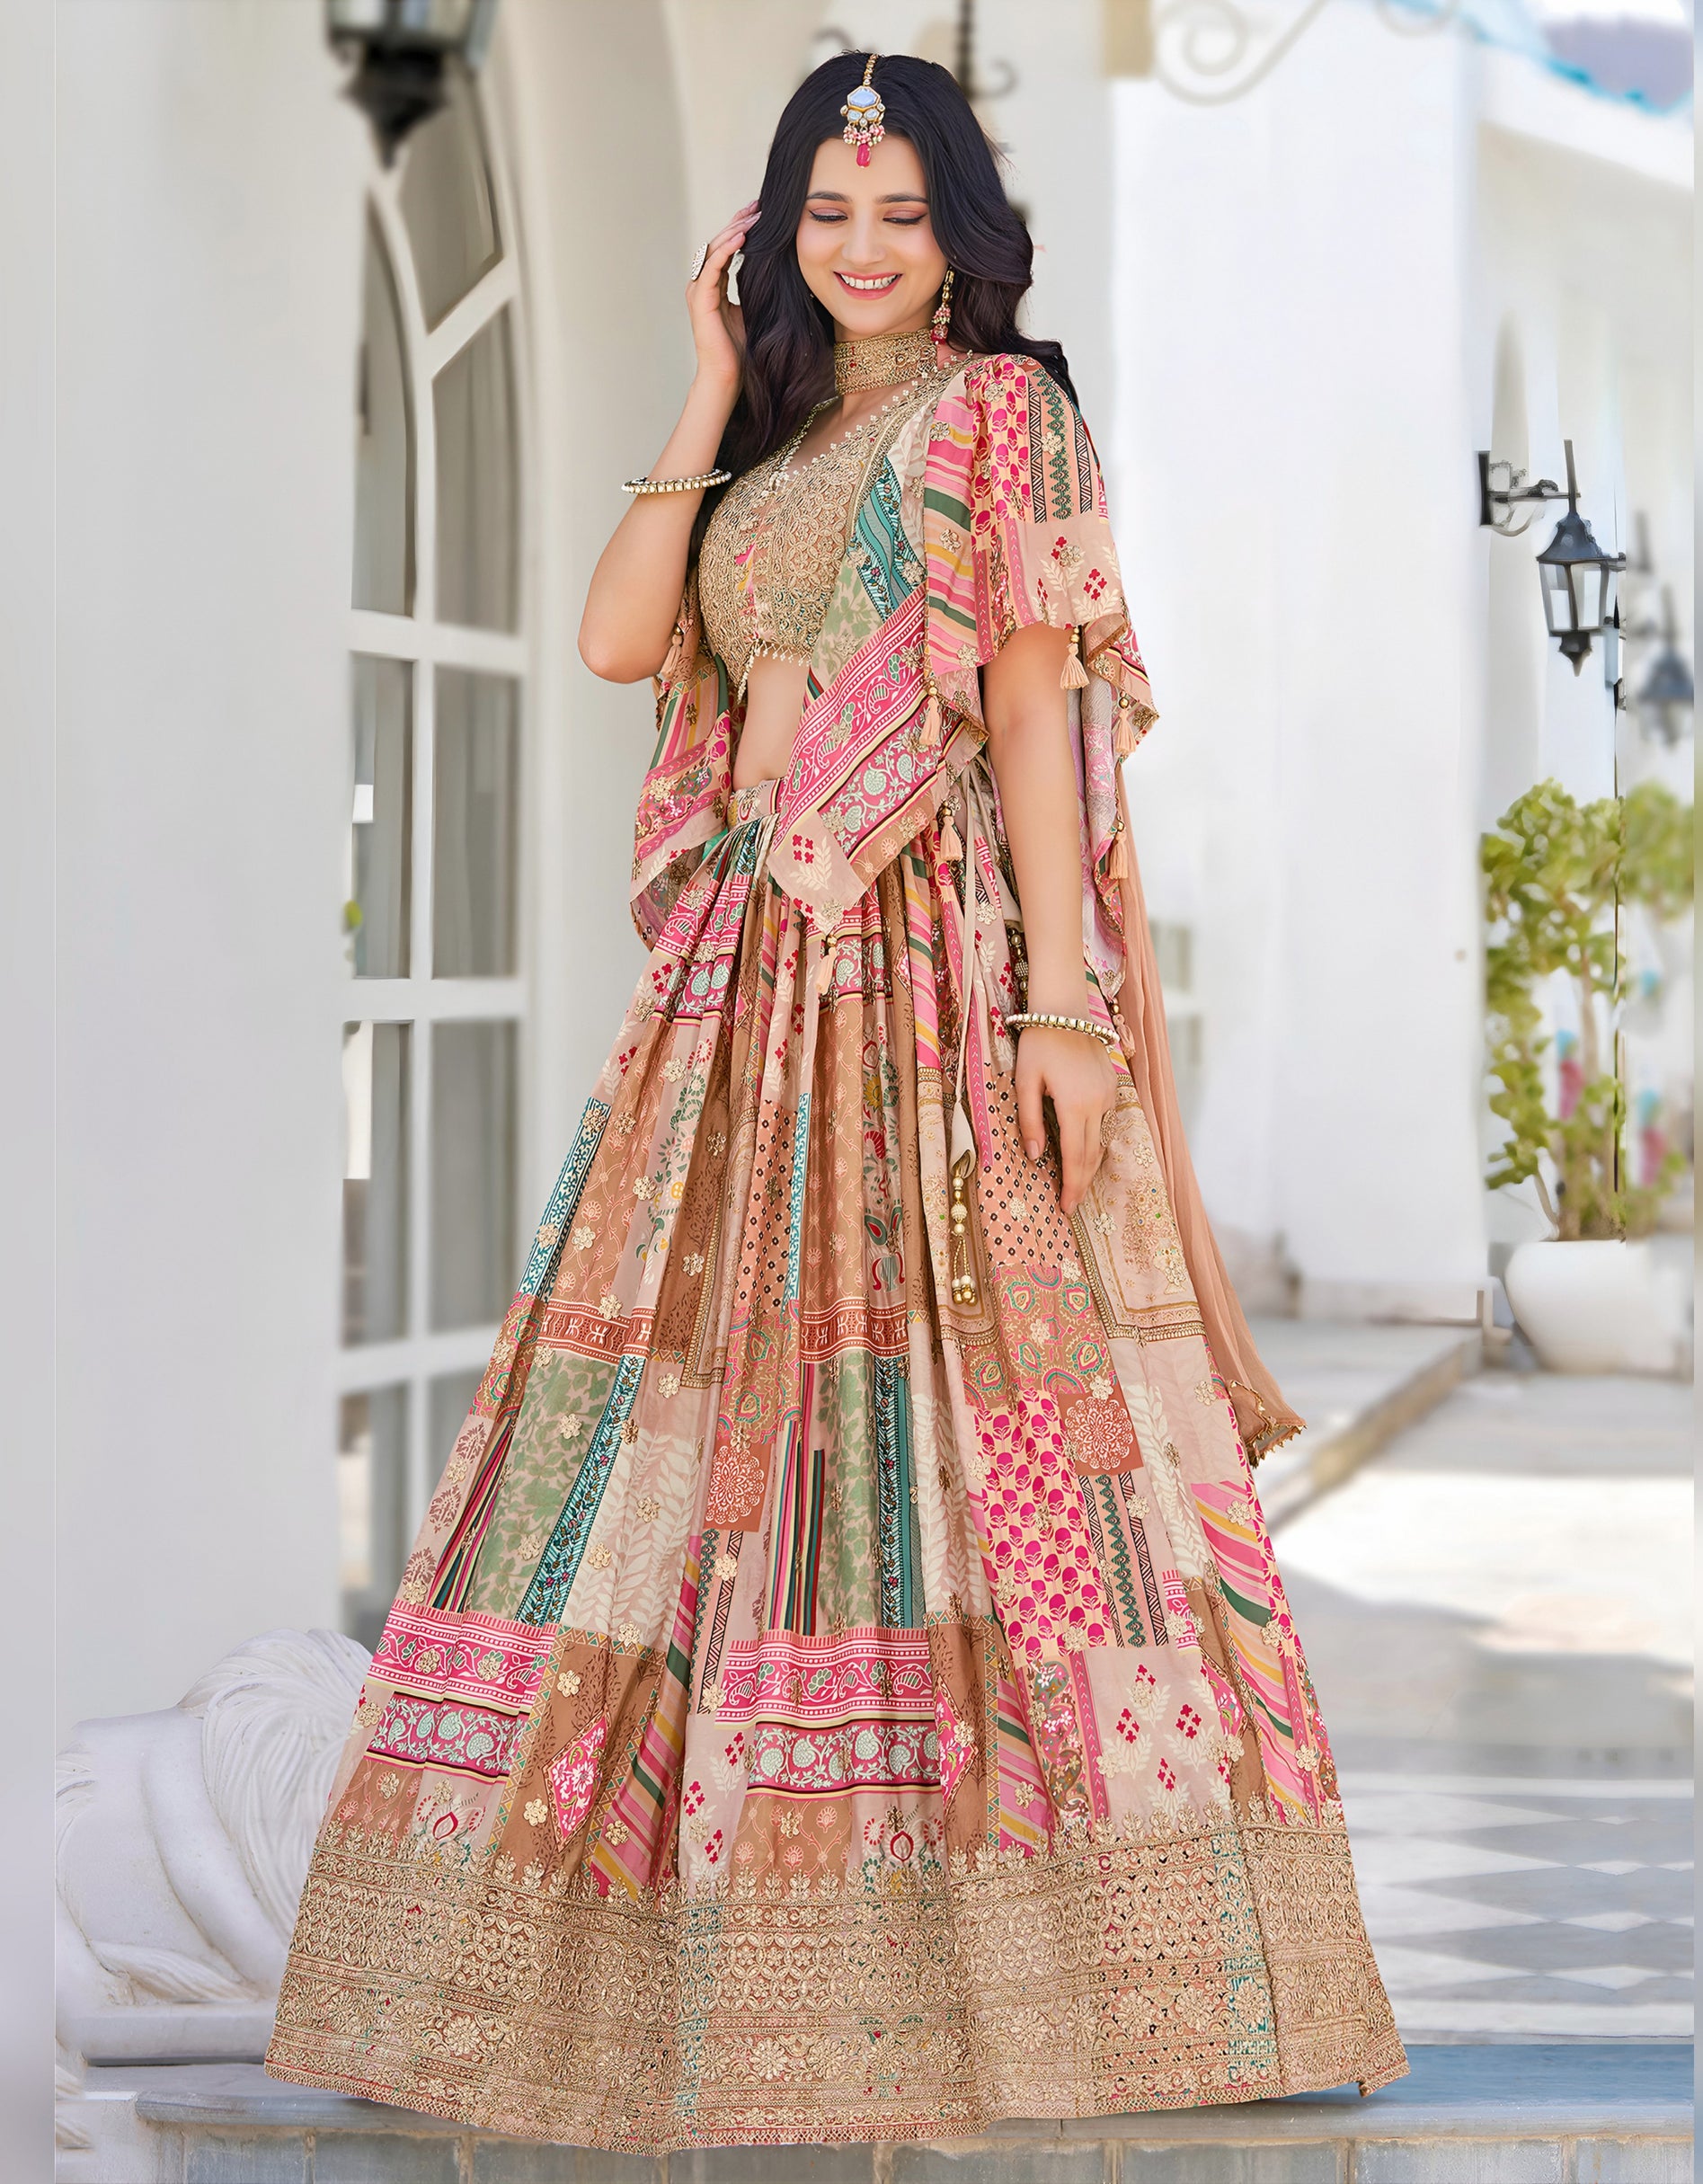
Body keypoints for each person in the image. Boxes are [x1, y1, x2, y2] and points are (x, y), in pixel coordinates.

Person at [267, 50, 1405, 2151]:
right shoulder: (785, 439)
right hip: (730, 1010)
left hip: (928, 975)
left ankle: (1101, 1967)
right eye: (826, 217)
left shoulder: (1006, 418)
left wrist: (1064, 1011)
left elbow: (1041, 713)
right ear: (777, 234)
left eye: (898, 214)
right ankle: (644, 1966)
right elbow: (625, 639)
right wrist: (708, 379)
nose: (864, 251)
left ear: (960, 229)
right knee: (679, 1437)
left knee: (998, 1441)